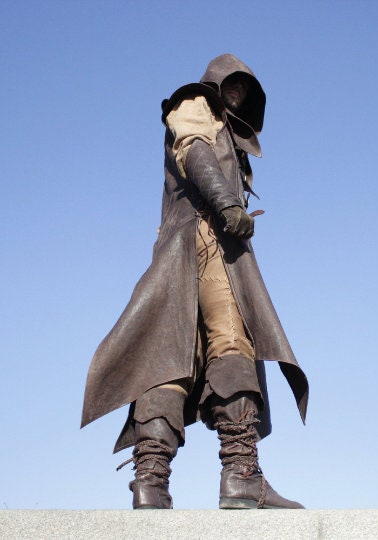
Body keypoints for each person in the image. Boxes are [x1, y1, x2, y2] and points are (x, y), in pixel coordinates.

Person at [81, 53, 309, 510]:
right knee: (231, 343)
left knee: (166, 360)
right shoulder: (194, 102)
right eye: (233, 85)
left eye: (245, 91)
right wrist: (227, 203)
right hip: (206, 243)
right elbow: (194, 148)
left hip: (183, 252)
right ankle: (240, 477)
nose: (237, 94)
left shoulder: (227, 131)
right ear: (216, 83)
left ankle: (152, 484)